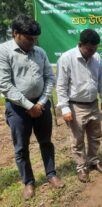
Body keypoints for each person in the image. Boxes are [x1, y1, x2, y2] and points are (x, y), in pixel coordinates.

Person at [0, 14, 64, 200]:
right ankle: (28, 182)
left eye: (36, 38)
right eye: (29, 38)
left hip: (41, 105)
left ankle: (51, 174)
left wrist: (41, 102)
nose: (33, 42)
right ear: (15, 33)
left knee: (46, 142)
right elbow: (5, 85)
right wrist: (29, 105)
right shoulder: (4, 52)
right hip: (18, 109)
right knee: (21, 147)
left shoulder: (40, 52)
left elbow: (49, 78)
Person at [56, 29, 102, 183]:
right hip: (75, 106)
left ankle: (93, 160)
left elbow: (100, 80)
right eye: (89, 49)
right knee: (77, 139)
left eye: (95, 48)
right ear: (80, 44)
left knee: (95, 135)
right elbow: (61, 86)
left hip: (93, 104)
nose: (93, 52)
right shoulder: (66, 58)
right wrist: (64, 108)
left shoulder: (96, 57)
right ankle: (81, 167)